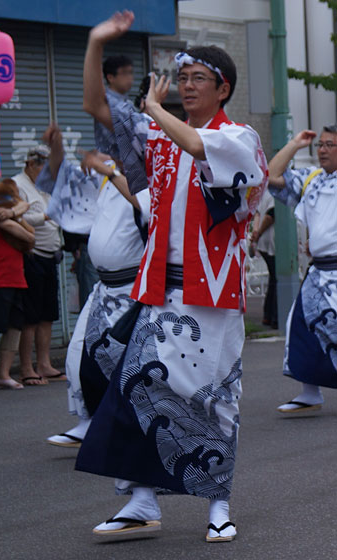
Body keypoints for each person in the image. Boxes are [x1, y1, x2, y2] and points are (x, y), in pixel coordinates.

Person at [76, 11, 268, 544]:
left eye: (196, 79)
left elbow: (200, 148)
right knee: (132, 386)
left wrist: (156, 109)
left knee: (213, 397)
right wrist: (94, 42)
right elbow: (97, 105)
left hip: (212, 295)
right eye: (180, 78)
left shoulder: (239, 137)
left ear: (222, 87)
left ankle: (218, 504)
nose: (185, 86)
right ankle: (140, 501)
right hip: (160, 290)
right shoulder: (158, 135)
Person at [35, 123, 149, 446]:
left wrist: (109, 171)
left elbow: (146, 204)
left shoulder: (149, 174)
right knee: (76, 354)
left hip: (133, 289)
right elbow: (62, 182)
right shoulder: (106, 175)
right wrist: (56, 148)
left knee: (123, 360)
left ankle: (130, 425)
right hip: (104, 288)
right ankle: (88, 420)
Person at [269, 126, 337, 413]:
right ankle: (310, 392)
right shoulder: (312, 179)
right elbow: (269, 175)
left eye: (330, 145)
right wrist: (295, 144)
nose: (321, 150)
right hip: (319, 271)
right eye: (320, 144)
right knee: (302, 326)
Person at [12, 147, 64, 386]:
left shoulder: (45, 184)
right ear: (31, 164)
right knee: (30, 316)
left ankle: (44, 363)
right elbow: (16, 218)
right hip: (32, 255)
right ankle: (26, 367)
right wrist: (46, 216)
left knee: (47, 314)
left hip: (51, 254)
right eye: (43, 166)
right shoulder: (17, 185)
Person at [0, 169, 35, 391]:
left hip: (16, 274)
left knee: (14, 326)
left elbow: (24, 207)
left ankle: (4, 374)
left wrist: (14, 211)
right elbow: (27, 235)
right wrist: (18, 221)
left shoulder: (3, 206)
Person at [250, 189, 278, 328]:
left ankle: (269, 315)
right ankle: (273, 316)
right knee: (277, 279)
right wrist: (259, 233)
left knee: (273, 279)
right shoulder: (276, 193)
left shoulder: (263, 192)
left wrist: (256, 232)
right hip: (272, 242)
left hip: (263, 242)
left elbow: (258, 214)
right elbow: (269, 216)